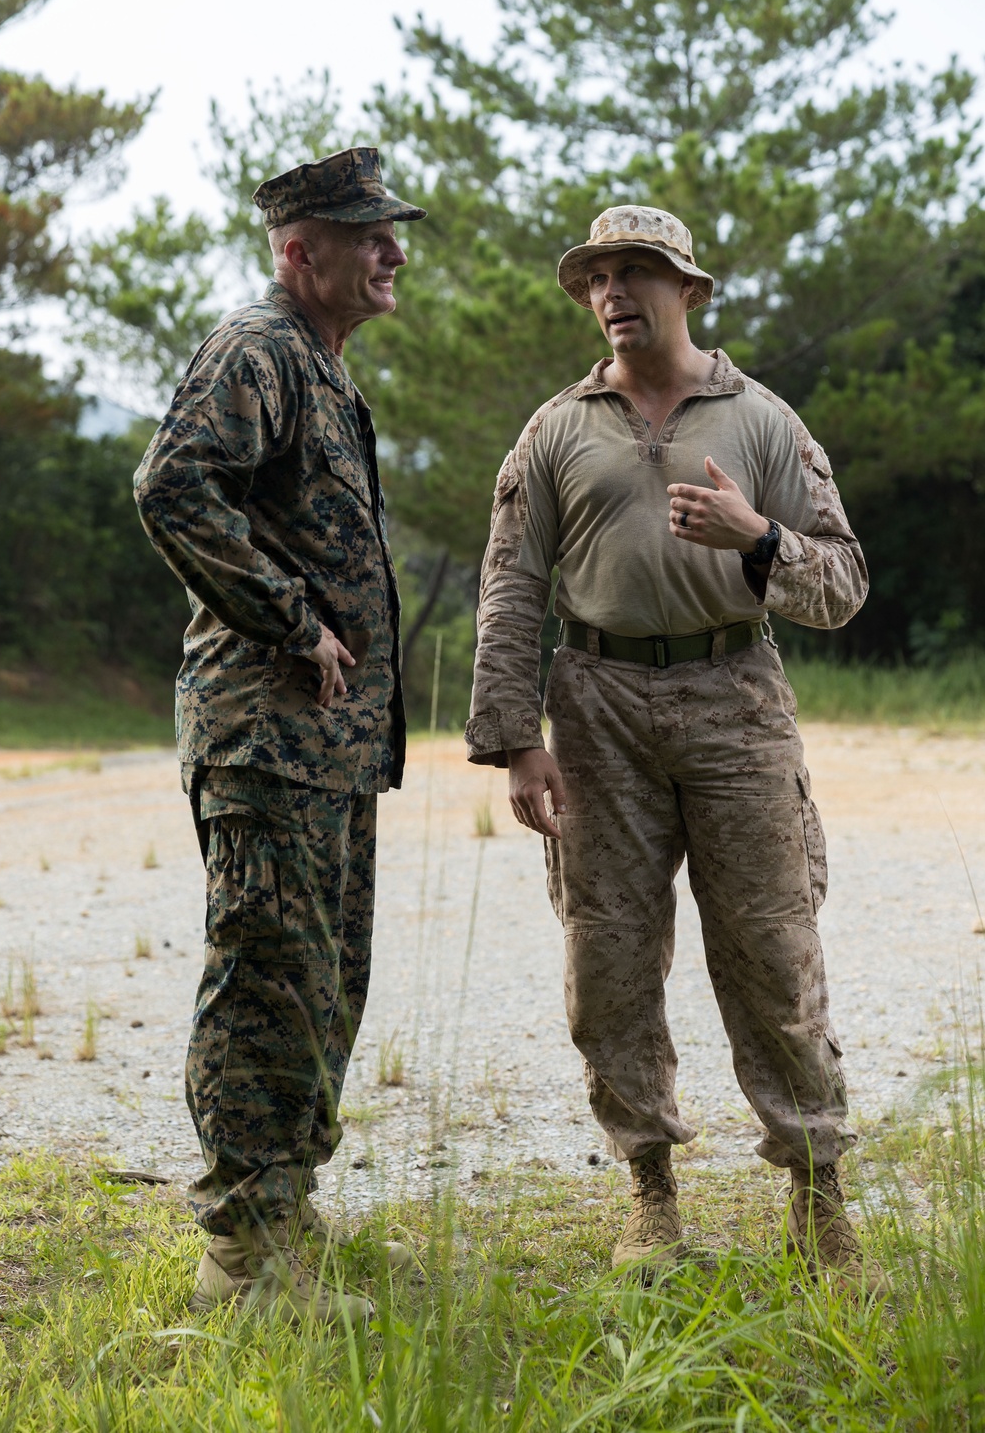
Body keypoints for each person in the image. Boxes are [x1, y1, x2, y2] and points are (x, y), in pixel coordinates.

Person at [465, 204, 885, 1297]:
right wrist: (514, 738)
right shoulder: (554, 430)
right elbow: (510, 583)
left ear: (687, 290)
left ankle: (817, 1198)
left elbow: (840, 586)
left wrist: (758, 539)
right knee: (606, 954)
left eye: (636, 271)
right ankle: (650, 1194)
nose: (612, 291)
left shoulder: (761, 422)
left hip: (735, 697)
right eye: (597, 274)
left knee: (769, 945)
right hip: (594, 705)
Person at [134, 147, 425, 1323]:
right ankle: (246, 1259)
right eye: (368, 236)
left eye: (392, 232)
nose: (393, 250)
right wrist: (289, 617)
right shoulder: (257, 347)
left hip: (322, 749)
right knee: (266, 982)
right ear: (299, 252)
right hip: (266, 737)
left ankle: (281, 1218)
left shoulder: (318, 365)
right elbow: (170, 486)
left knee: (320, 979)